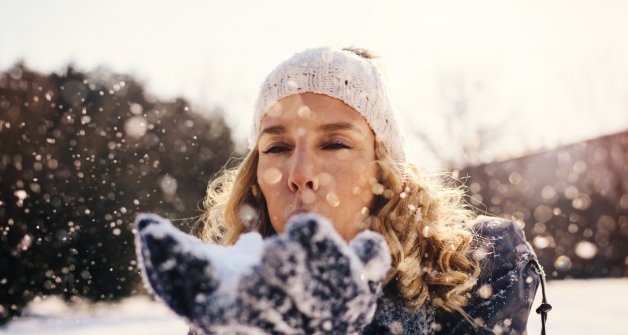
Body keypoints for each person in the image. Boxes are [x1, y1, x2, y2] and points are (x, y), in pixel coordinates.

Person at [186, 46, 549, 334]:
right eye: (277, 148)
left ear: (383, 169)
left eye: (335, 144)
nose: (300, 174)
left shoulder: (473, 276)